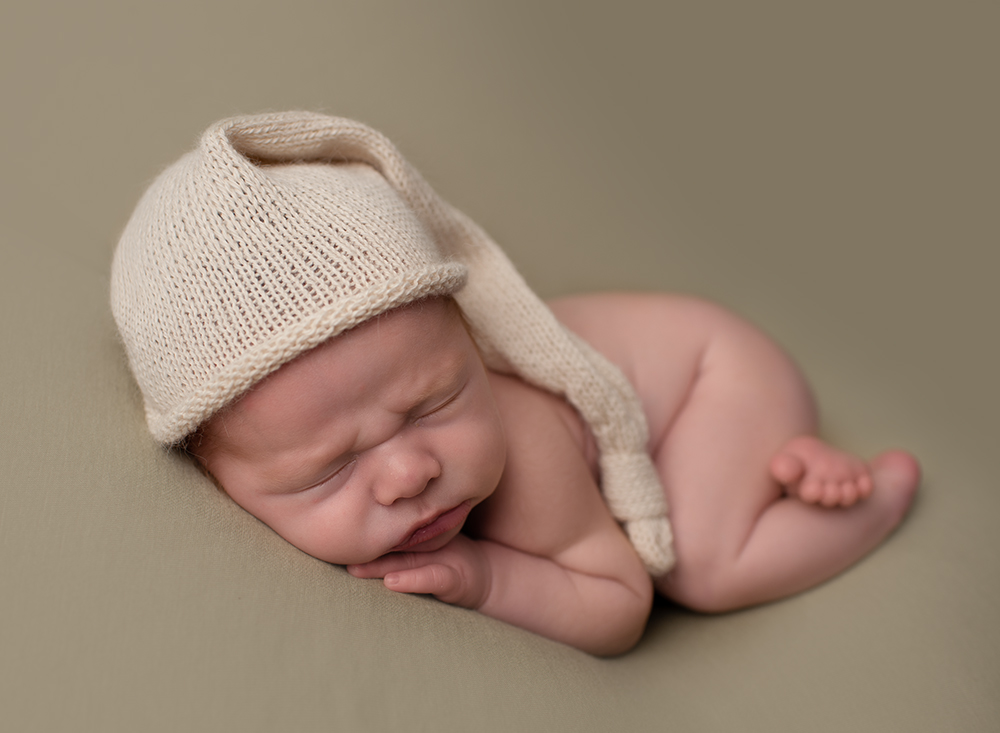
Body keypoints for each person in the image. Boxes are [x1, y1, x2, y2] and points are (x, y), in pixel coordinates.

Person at [111, 112, 919, 656]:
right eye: (331, 466)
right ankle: (779, 467)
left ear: (472, 337)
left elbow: (619, 603)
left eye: (434, 402)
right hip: (677, 375)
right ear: (213, 469)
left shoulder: (527, 453)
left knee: (700, 566)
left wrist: (489, 578)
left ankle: (868, 496)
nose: (410, 472)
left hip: (714, 377)